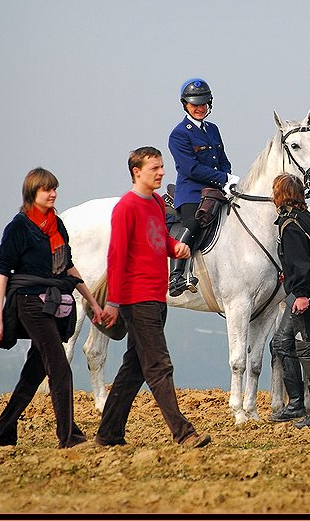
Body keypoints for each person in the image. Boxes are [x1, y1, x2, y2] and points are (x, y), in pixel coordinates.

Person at [95, 147, 210, 448]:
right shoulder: (126, 207)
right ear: (137, 172)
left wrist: (175, 248)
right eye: (154, 168)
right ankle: (183, 433)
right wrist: (113, 303)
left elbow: (158, 237)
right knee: (159, 366)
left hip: (158, 296)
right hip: (136, 299)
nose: (161, 173)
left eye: (161, 167)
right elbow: (116, 257)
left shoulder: (158, 202)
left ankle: (108, 434)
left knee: (134, 368)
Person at [0, 167, 103, 448]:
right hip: (28, 301)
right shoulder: (18, 227)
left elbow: (69, 267)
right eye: (46, 190)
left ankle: (2, 431)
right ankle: (69, 436)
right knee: (60, 367)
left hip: (54, 302)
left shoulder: (57, 225)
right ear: (32, 193)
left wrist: (94, 303)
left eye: (54, 189)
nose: (53, 194)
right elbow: (3, 272)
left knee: (34, 372)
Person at [269, 173, 310, 428]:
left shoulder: (291, 225)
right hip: (308, 289)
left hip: (308, 292)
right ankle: (295, 403)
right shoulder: (307, 218)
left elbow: (301, 263)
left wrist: (304, 294)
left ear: (281, 195)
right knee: (282, 343)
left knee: (307, 349)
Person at [167, 78, 240, 296]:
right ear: (185, 105)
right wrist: (222, 178)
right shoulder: (179, 133)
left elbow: (223, 160)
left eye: (203, 104)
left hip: (217, 190)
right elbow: (191, 168)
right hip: (192, 192)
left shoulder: (213, 129)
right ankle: (177, 276)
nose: (199, 108)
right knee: (195, 221)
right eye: (194, 104)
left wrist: (228, 177)